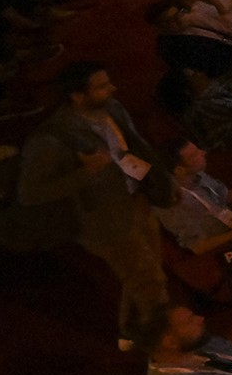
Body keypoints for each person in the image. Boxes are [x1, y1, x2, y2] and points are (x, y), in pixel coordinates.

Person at [16, 60, 166, 331]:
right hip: (105, 222)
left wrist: (162, 182)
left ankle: (133, 332)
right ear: (77, 95)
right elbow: (30, 193)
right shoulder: (50, 139)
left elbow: (135, 145)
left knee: (147, 276)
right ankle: (165, 342)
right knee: (148, 282)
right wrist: (85, 174)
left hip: (136, 202)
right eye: (102, 86)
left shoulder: (112, 109)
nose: (113, 88)